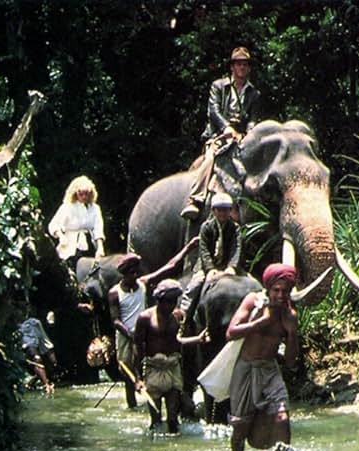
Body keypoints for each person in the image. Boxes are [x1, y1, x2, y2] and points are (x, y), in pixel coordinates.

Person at [108, 239, 198, 409]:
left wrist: (188, 248)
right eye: (131, 273)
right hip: (126, 335)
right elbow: (115, 320)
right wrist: (131, 334)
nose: (135, 276)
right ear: (124, 274)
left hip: (147, 331)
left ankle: (156, 399)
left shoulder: (143, 284)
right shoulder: (114, 293)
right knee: (129, 373)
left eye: (136, 272)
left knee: (155, 365)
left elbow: (170, 266)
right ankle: (132, 404)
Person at [225, 263, 298, 451]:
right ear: (268, 288)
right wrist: (260, 323)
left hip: (269, 370)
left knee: (283, 416)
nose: (281, 296)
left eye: (285, 291)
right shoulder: (253, 302)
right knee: (241, 427)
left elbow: (291, 361)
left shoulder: (289, 313)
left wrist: (292, 332)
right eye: (276, 290)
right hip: (246, 369)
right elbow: (231, 332)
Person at [181, 46, 262, 219]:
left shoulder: (254, 93)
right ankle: (195, 199)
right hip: (219, 135)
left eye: (245, 64)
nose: (241, 68)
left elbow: (253, 119)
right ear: (232, 67)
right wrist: (227, 128)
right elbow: (214, 111)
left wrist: (250, 133)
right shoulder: (219, 86)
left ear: (249, 68)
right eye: (238, 64)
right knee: (210, 158)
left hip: (242, 138)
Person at [133, 279, 208, 434]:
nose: (171, 306)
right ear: (159, 300)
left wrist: (197, 340)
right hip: (153, 369)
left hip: (173, 368)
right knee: (156, 420)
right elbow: (138, 347)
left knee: (173, 419)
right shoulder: (145, 318)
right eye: (168, 302)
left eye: (174, 301)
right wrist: (138, 378)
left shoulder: (178, 317)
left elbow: (179, 341)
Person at [180, 192, 241, 322]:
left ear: (230, 211)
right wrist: (210, 268)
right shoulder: (206, 227)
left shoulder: (234, 228)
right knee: (195, 285)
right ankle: (183, 315)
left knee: (249, 283)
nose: (223, 213)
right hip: (207, 266)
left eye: (226, 210)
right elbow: (204, 250)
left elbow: (236, 248)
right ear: (213, 210)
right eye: (219, 210)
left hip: (226, 265)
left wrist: (232, 266)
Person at [48, 175, 106, 270]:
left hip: (88, 248)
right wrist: (61, 236)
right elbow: (53, 225)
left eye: (86, 194)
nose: (84, 197)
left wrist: (100, 247)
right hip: (69, 248)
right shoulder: (67, 207)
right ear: (75, 193)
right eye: (81, 194)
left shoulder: (95, 208)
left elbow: (98, 228)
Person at [19, 316, 57, 394]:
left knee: (53, 361)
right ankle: (46, 385)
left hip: (35, 323)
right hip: (23, 326)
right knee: (37, 359)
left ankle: (31, 382)